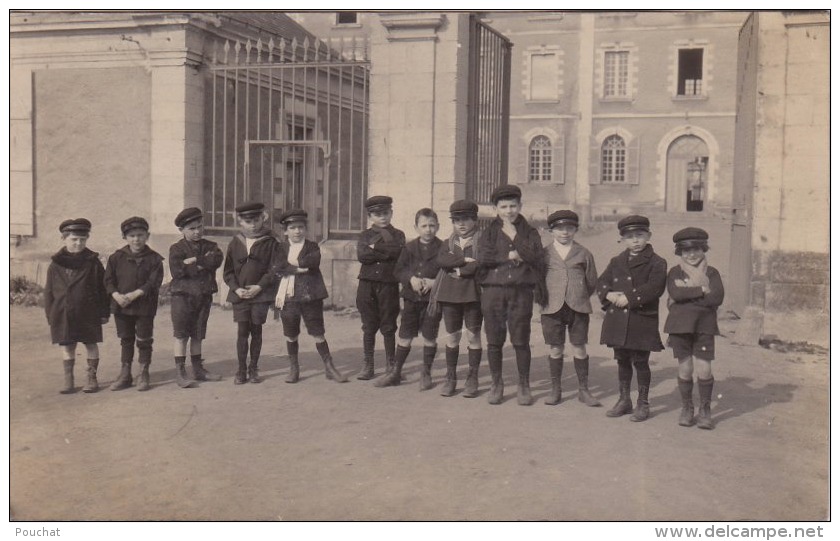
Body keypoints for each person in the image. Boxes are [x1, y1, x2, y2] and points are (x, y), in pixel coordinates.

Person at [477, 185, 545, 405]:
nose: (509, 211)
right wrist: (511, 255)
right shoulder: (488, 231)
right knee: (494, 341)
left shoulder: (529, 231)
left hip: (520, 291)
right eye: (504, 207)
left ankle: (524, 385)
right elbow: (483, 258)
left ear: (520, 206)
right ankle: (497, 384)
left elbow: (536, 256)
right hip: (493, 291)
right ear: (495, 208)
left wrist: (516, 237)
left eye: (513, 206)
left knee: (520, 340)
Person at [597, 215, 667, 422]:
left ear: (648, 236)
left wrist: (629, 298)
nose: (635, 240)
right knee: (622, 360)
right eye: (629, 237)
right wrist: (607, 294)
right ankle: (624, 399)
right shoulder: (616, 261)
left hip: (640, 319)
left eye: (639, 235)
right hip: (618, 319)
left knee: (641, 361)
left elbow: (655, 287)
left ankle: (643, 403)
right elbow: (602, 281)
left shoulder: (657, 262)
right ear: (622, 240)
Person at [274, 209, 347, 384]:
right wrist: (298, 268)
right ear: (285, 231)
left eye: (300, 227)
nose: (297, 231)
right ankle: (294, 368)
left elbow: (313, 262)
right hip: (288, 297)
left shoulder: (312, 246)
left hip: (310, 295)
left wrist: (289, 265)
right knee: (291, 333)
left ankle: (329, 367)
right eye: (292, 228)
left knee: (317, 331)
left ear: (305, 229)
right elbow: (277, 266)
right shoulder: (280, 247)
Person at [538, 210, 601, 407]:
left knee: (579, 346)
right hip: (552, 308)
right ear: (551, 231)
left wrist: (579, 295)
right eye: (559, 228)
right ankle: (556, 389)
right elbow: (537, 281)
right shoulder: (544, 254)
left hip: (578, 307)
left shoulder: (584, 253)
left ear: (575, 230)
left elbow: (592, 281)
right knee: (556, 348)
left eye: (569, 228)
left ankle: (584, 389)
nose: (564, 232)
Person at [664, 227, 725, 430]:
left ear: (704, 249)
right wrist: (701, 290)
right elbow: (675, 293)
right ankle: (687, 408)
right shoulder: (674, 272)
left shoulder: (712, 272)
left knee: (704, 368)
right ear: (679, 253)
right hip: (679, 327)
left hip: (704, 326)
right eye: (686, 251)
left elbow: (717, 297)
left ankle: (705, 409)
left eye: (696, 249)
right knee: (685, 367)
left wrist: (686, 292)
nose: (691, 255)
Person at [375, 208, 443, 389]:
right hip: (411, 299)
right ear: (416, 227)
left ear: (438, 226)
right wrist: (411, 279)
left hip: (432, 301)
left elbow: (448, 273)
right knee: (405, 336)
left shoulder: (444, 248)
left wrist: (434, 282)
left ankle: (426, 373)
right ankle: (396, 372)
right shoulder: (409, 247)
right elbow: (398, 270)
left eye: (432, 225)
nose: (428, 229)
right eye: (424, 226)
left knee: (430, 336)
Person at [44, 218, 110, 394]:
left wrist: (104, 312)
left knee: (90, 344)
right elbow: (49, 291)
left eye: (82, 239)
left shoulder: (93, 262)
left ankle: (91, 377)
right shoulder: (56, 263)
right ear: (64, 239)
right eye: (74, 239)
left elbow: (103, 289)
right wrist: (50, 314)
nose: (78, 243)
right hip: (63, 312)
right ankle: (68, 379)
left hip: (88, 312)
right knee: (68, 345)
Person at [223, 201, 281, 385]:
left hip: (260, 295)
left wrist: (260, 287)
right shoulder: (235, 242)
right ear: (240, 221)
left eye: (256, 220)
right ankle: (241, 370)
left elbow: (274, 268)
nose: (253, 224)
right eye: (248, 221)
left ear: (262, 218)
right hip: (240, 296)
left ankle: (253, 368)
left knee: (256, 330)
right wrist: (236, 288)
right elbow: (228, 271)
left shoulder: (270, 241)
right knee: (242, 331)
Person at [104, 217, 165, 392]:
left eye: (140, 235)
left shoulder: (154, 259)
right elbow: (108, 280)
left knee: (144, 340)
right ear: (125, 237)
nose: (136, 239)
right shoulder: (116, 258)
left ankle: (143, 373)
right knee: (126, 339)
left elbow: (154, 282)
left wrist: (134, 294)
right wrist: (116, 295)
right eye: (131, 235)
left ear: (147, 235)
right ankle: (125, 374)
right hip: (121, 305)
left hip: (144, 306)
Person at [432, 200, 484, 397]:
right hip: (450, 295)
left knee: (473, 336)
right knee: (453, 336)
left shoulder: (482, 241)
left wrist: (459, 271)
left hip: (473, 295)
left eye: (466, 219)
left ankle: (472, 378)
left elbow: (480, 264)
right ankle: (451, 377)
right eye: (456, 220)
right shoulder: (448, 242)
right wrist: (463, 261)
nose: (461, 224)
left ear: (475, 220)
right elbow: (441, 260)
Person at [169, 207, 224, 385]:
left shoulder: (211, 246)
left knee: (198, 334)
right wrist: (202, 263)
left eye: (199, 226)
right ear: (182, 230)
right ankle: (180, 372)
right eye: (192, 228)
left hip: (203, 295)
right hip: (182, 297)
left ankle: (198, 369)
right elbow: (177, 271)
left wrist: (193, 262)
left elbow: (216, 260)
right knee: (181, 334)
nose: (197, 231)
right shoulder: (176, 248)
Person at [355, 195, 406, 380]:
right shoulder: (364, 235)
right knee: (368, 325)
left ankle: (391, 365)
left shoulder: (398, 235)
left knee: (389, 325)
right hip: (366, 284)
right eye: (377, 214)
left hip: (388, 285)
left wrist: (374, 250)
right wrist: (385, 252)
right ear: (370, 216)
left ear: (391, 213)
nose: (382, 217)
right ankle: (368, 365)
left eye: (385, 213)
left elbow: (398, 251)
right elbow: (362, 255)